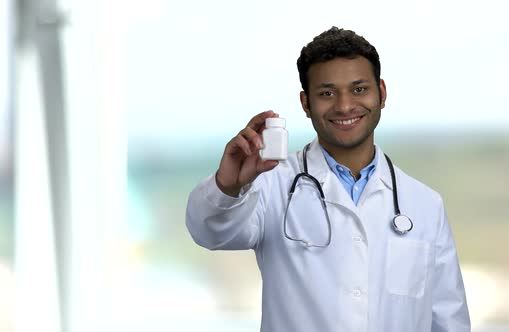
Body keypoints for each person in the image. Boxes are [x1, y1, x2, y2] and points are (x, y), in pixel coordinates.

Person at [186, 26, 470, 331]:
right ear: (306, 103)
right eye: (327, 93)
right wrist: (228, 186)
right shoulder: (271, 185)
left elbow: (449, 321)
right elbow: (209, 232)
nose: (345, 105)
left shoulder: (424, 204)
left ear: (382, 93)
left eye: (359, 89)